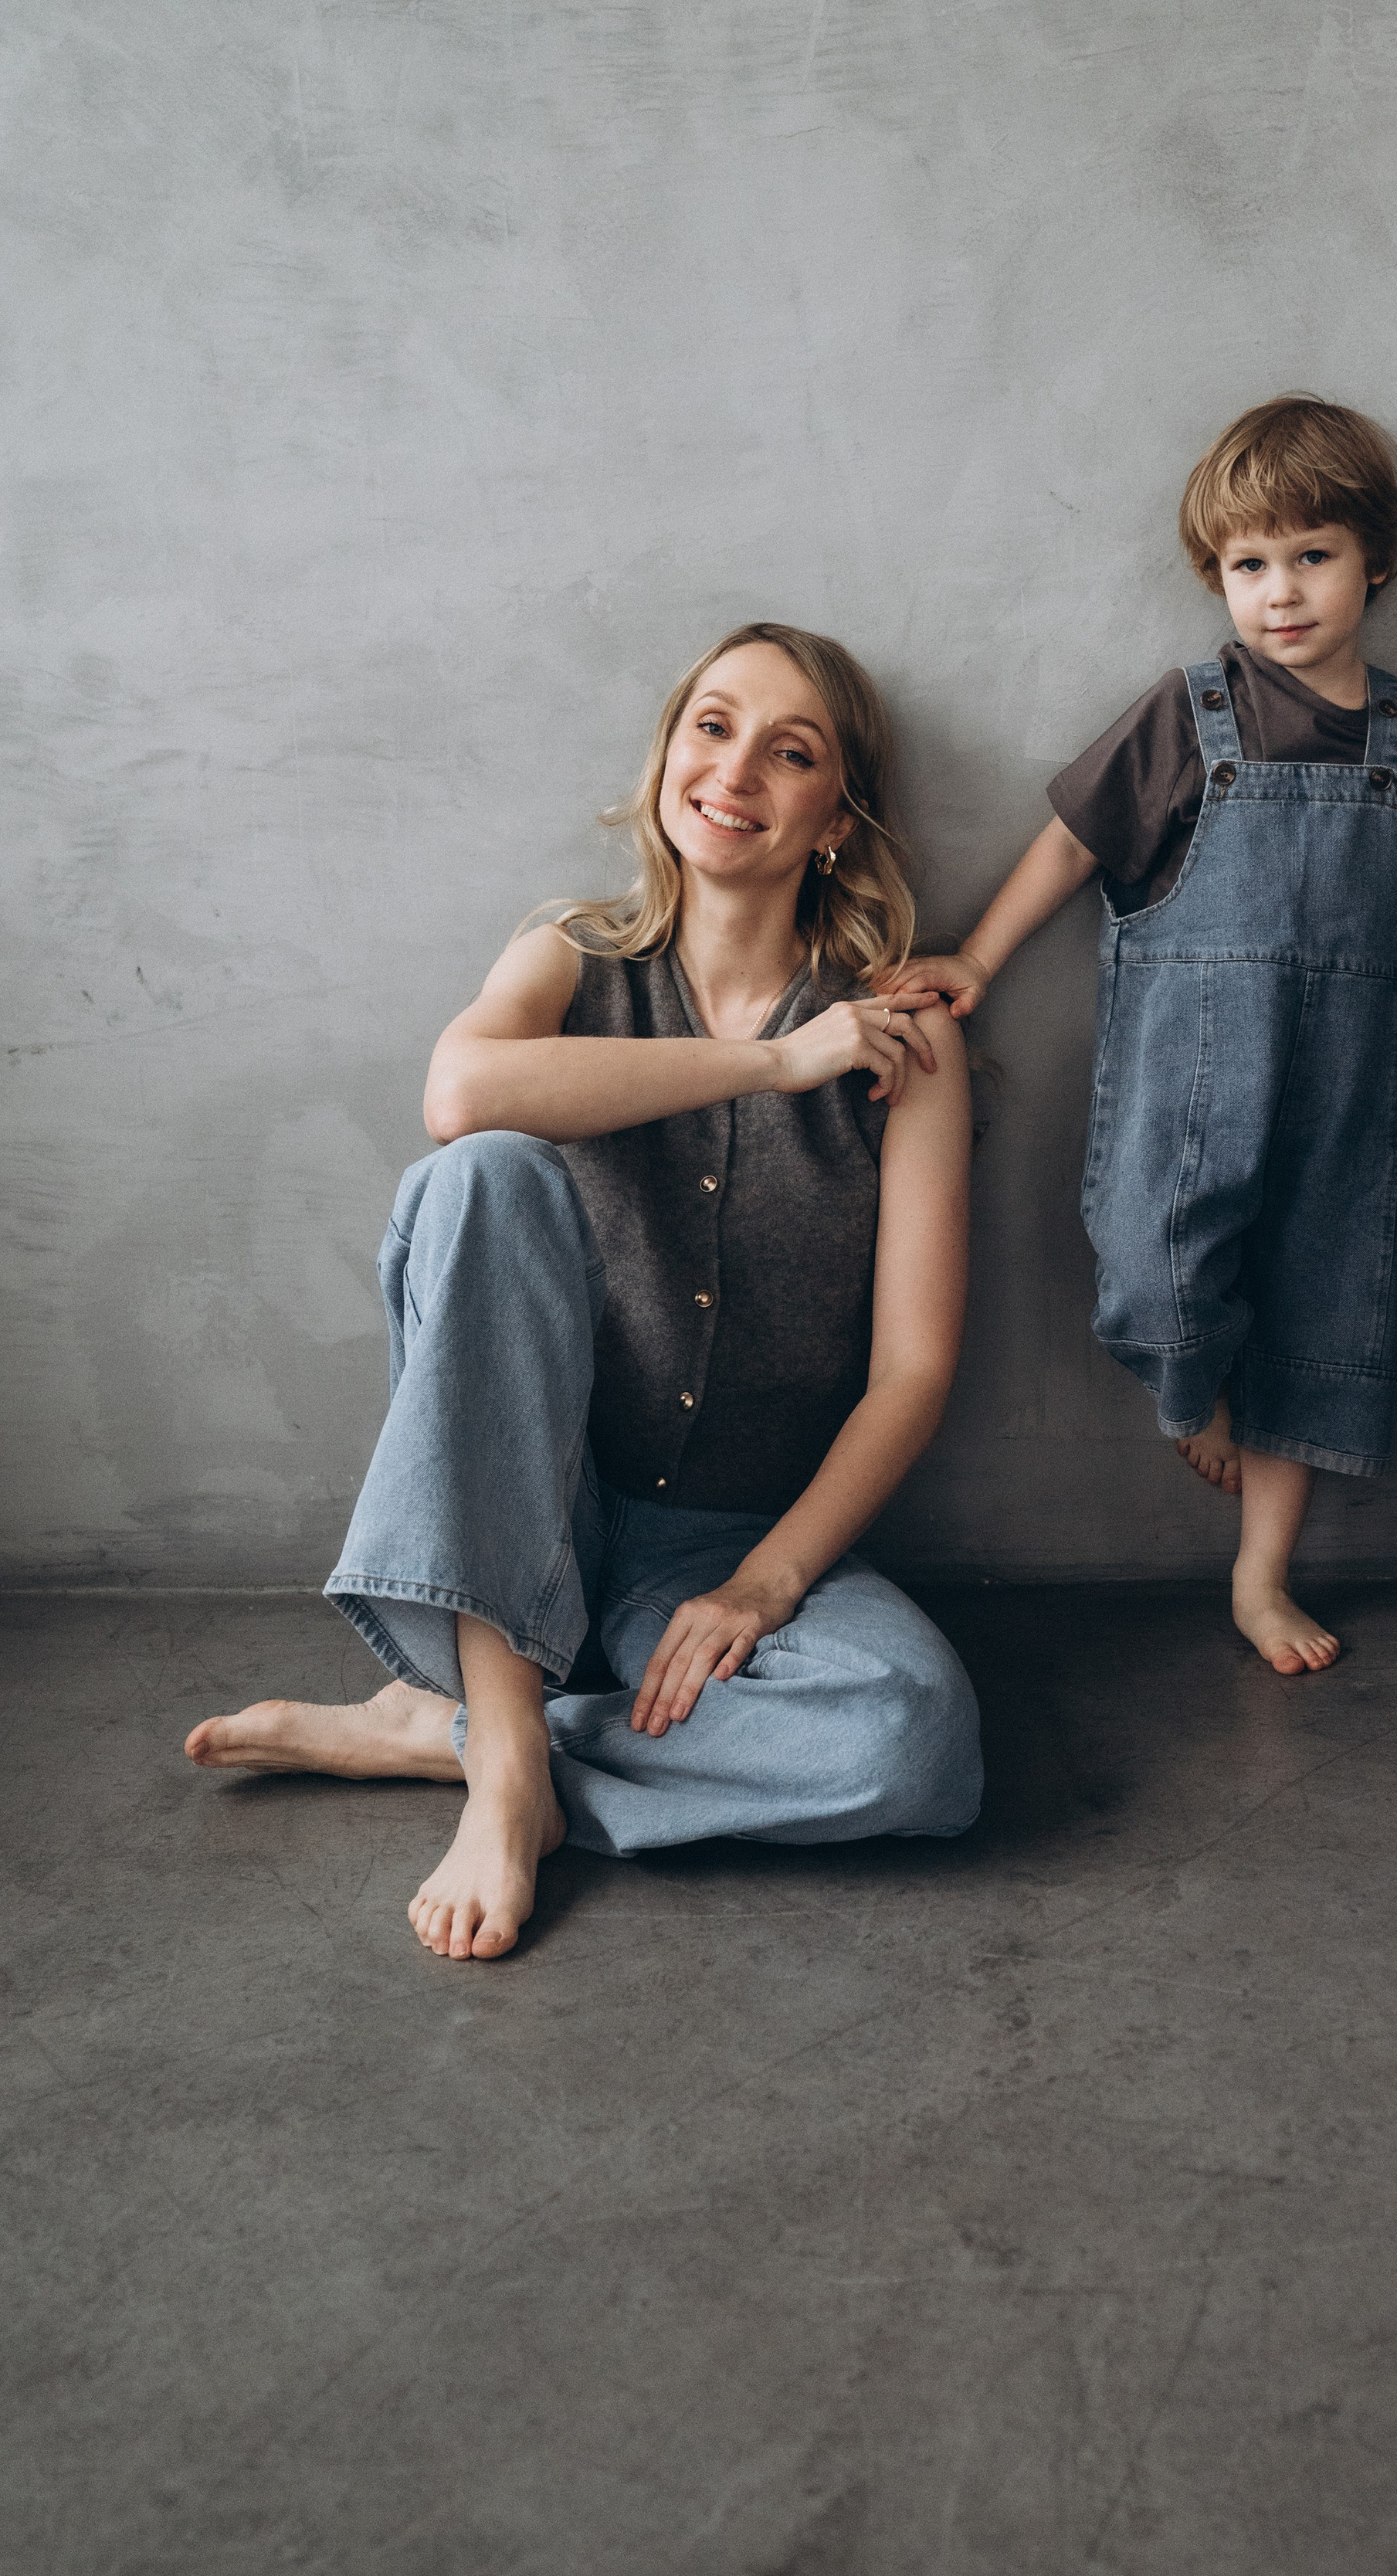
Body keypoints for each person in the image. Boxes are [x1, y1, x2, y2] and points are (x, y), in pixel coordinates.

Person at [187, 623, 982, 1961]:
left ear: (835, 820)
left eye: (791, 753)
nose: (735, 770)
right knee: (479, 1178)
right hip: (533, 1506)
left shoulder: (908, 1039)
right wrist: (776, 1068)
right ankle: (508, 1770)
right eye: (713, 727)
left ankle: (447, 1735)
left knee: (914, 1744)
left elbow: (913, 1371)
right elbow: (461, 1094)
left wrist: (764, 1588)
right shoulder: (571, 955)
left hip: (722, 1540)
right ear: (669, 754)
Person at [882, 395, 1397, 1678]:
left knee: (1326, 1314)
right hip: (1194, 1084)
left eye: (1312, 556)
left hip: (1361, 1090)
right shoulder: (1189, 716)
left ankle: (1260, 1577)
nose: (1282, 593)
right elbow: (1075, 844)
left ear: (1377, 562)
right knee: (1153, 1266)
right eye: (1250, 566)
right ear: (1218, 579)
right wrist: (976, 953)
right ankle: (1193, 1394)